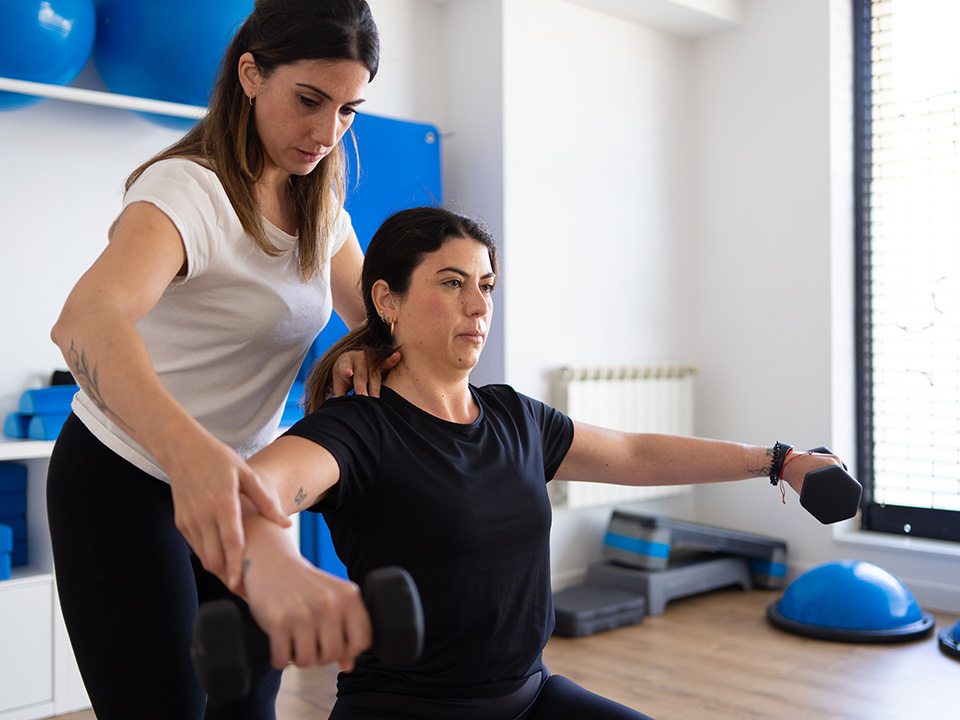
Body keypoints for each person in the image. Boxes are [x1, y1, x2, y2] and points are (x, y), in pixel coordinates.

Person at [233, 206, 847, 719]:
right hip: (407, 708)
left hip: (530, 696)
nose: (478, 305)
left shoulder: (514, 417)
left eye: (487, 285)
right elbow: (253, 491)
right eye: (451, 283)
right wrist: (282, 567)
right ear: (386, 300)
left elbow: (633, 453)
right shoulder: (358, 428)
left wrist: (780, 460)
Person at [45, 2, 390, 718]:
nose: (328, 134)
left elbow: (371, 316)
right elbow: (87, 319)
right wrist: (191, 455)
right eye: (310, 101)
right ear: (251, 73)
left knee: (246, 709)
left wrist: (363, 349)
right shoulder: (188, 190)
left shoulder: (321, 202)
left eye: (349, 111)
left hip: (245, 490)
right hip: (125, 480)